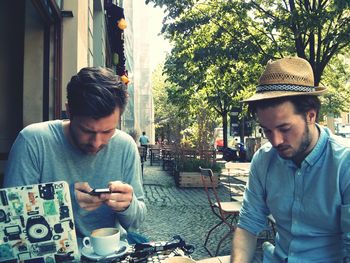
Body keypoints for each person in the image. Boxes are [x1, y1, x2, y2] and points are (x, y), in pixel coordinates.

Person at [4, 67, 147, 245]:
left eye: (107, 131)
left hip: (111, 251)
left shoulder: (125, 146)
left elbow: (136, 221)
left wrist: (127, 205)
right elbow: (10, 219)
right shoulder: (33, 141)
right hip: (51, 252)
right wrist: (64, 202)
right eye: (87, 131)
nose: (96, 142)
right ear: (69, 111)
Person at [231, 57, 350, 262]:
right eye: (267, 131)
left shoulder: (344, 164)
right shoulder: (263, 160)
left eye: (285, 129)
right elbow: (248, 226)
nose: (276, 141)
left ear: (311, 116)